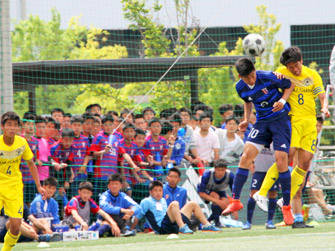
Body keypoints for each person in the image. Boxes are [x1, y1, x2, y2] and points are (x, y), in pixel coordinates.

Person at [253, 47, 330, 228]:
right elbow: (265, 80)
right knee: (288, 155)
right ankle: (262, 193)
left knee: (304, 163)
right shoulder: (280, 73)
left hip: (310, 123)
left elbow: (321, 96)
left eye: (296, 66)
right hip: (292, 120)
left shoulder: (312, 75)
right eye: (290, 67)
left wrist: (325, 107)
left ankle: (284, 200)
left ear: (301, 60)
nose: (294, 70)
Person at [222, 58, 294, 227]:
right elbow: (248, 102)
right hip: (261, 122)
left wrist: (282, 101)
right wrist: (247, 119)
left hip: (280, 120)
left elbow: (289, 85)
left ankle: (286, 206)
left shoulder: (267, 76)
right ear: (240, 77)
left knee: (281, 161)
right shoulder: (240, 87)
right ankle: (235, 200)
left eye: (253, 75)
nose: (252, 80)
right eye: (248, 78)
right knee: (245, 157)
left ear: (255, 70)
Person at [0, 112, 46, 251]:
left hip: (14, 187)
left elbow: (31, 164)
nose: (12, 128)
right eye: (9, 125)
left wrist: (39, 185)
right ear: (2, 127)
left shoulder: (22, 142)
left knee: (15, 227)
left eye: (15, 125)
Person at [134, 181, 221, 234]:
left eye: (160, 190)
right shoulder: (146, 201)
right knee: (174, 203)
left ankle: (207, 226)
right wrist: (131, 228)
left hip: (171, 224)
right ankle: (182, 227)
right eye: (155, 190)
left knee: (193, 204)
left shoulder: (163, 200)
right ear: (151, 192)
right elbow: (138, 216)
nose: (158, 193)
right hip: (162, 228)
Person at [91, 116, 140, 196]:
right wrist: (104, 151)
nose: (108, 127)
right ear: (102, 126)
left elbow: (124, 154)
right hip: (100, 174)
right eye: (106, 125)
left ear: (114, 126)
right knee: (100, 197)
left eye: (110, 124)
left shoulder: (116, 139)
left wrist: (133, 165)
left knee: (112, 196)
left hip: (113, 175)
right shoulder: (98, 137)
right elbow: (93, 154)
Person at [242, 144, 279, 230]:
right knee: (253, 194)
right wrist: (251, 168)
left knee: (272, 194)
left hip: (272, 171)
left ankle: (269, 221)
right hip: (259, 171)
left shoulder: (277, 139)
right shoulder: (259, 138)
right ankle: (248, 222)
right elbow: (248, 154)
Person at [198, 159, 234, 227]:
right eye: (218, 170)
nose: (220, 172)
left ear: (226, 169)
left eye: (223, 170)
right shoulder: (207, 174)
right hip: (206, 190)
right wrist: (217, 201)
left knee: (225, 205)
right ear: (215, 169)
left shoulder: (230, 175)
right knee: (216, 197)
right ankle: (217, 224)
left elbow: (234, 192)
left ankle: (206, 222)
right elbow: (201, 193)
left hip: (220, 190)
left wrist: (233, 205)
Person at [20, 113, 40, 205]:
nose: (31, 127)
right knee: (20, 201)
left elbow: (36, 158)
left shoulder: (35, 142)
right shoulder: (19, 140)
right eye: (28, 124)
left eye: (32, 124)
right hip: (20, 177)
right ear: (23, 125)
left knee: (30, 202)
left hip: (31, 178)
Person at [34, 116, 51, 182]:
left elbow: (48, 157)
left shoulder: (45, 141)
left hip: (46, 177)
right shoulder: (32, 141)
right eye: (39, 127)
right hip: (35, 177)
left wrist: (56, 164)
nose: (41, 129)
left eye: (43, 127)